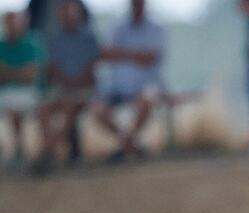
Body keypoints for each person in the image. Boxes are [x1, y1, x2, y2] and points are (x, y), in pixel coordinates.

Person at [92, 0, 165, 163]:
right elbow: (104, 53)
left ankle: (125, 145)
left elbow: (152, 57)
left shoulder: (156, 28)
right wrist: (137, 55)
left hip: (146, 85)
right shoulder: (117, 27)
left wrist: (122, 54)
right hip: (116, 87)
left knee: (147, 100)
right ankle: (132, 145)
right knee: (97, 109)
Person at [33, 0, 99, 174]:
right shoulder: (52, 39)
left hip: (83, 90)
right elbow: (52, 69)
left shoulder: (89, 38)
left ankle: (47, 152)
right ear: (60, 16)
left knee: (70, 105)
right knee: (44, 109)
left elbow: (90, 72)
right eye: (66, 13)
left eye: (73, 13)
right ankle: (52, 151)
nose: (70, 17)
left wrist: (73, 84)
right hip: (62, 89)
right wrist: (67, 84)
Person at [0, 11, 44, 168]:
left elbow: (31, 75)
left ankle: (29, 152)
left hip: (28, 92)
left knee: (15, 109)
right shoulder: (1, 45)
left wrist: (8, 72)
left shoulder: (32, 43)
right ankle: (19, 150)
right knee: (11, 108)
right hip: (6, 93)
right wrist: (19, 72)